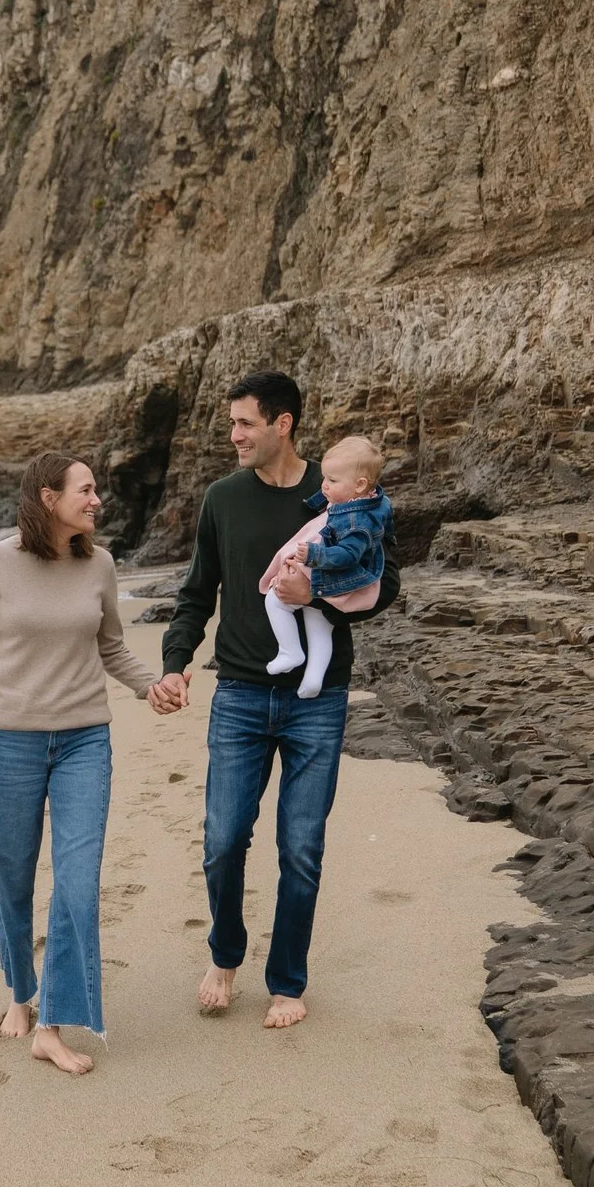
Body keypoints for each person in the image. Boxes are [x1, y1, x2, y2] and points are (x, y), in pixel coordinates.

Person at [153, 372, 401, 1029]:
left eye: (245, 423)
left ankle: (287, 981)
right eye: (231, 423)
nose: (233, 435)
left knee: (301, 846)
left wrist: (312, 594)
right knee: (223, 839)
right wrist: (175, 663)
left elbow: (388, 578)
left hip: (317, 699)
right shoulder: (222, 499)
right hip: (237, 691)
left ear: (282, 423)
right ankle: (225, 955)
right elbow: (196, 590)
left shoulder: (341, 487)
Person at [0, 451, 182, 1074]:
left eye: (97, 490)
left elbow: (110, 647)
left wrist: (150, 685)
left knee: (78, 883)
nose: (97, 499)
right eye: (86, 489)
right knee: (14, 875)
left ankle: (49, 1023)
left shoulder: (99, 564)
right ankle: (19, 995)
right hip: (9, 744)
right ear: (48, 498)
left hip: (85, 741)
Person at [259, 435, 393, 699]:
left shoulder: (358, 521)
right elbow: (328, 502)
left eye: (332, 481)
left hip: (329, 570)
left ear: (360, 485)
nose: (323, 486)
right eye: (324, 478)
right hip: (327, 571)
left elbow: (347, 556)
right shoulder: (361, 500)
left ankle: (290, 651)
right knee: (319, 622)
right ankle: (313, 679)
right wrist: (317, 502)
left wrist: (313, 555)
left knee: (275, 601)